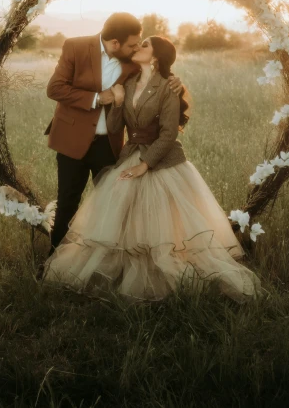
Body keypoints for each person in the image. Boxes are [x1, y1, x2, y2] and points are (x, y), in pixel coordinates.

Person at [41, 35, 262, 304]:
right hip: (130, 153)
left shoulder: (168, 87)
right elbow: (113, 128)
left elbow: (169, 134)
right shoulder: (128, 82)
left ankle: (161, 273)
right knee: (122, 212)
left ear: (156, 57)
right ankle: (121, 270)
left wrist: (145, 165)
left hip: (161, 160)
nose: (138, 48)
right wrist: (118, 102)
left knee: (160, 221)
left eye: (144, 45)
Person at [44, 13, 183, 254]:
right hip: (71, 140)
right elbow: (55, 88)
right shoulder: (74, 47)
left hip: (109, 145)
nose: (136, 48)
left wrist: (175, 81)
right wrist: (98, 98)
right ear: (115, 43)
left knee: (112, 207)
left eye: (139, 44)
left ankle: (108, 259)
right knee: (67, 203)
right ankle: (53, 260)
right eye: (132, 44)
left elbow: (156, 75)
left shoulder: (131, 61)